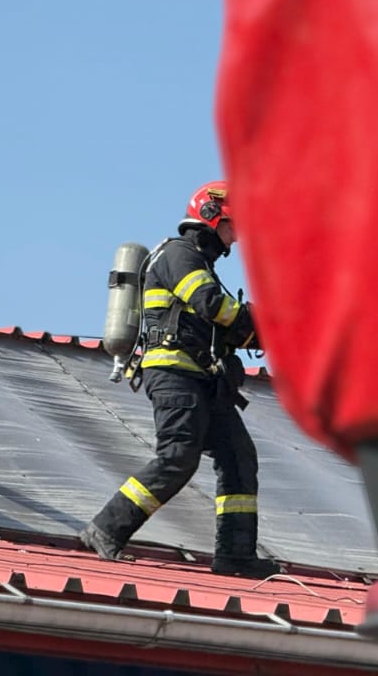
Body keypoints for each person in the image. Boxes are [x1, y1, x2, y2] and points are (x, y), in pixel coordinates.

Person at [79, 182, 278, 578]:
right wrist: (256, 319)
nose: (236, 237)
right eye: (233, 227)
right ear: (211, 217)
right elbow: (211, 305)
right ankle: (106, 528)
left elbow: (220, 327)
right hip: (174, 376)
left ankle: (235, 556)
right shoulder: (179, 255)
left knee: (239, 458)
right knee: (177, 457)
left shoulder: (200, 263)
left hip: (203, 379)